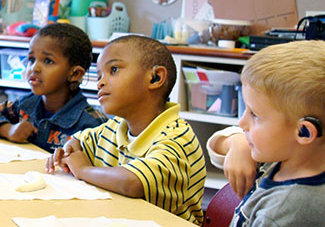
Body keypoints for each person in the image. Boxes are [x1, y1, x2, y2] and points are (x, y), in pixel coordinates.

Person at [45, 35, 206, 225]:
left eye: (113, 70)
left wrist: (83, 170)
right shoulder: (117, 126)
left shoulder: (177, 138)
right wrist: (70, 148)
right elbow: (80, 141)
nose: (100, 83)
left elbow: (133, 183)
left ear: (155, 78)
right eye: (99, 76)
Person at [208, 40, 325, 226]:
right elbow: (217, 144)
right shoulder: (283, 157)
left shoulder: (284, 211)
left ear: (303, 132)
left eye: (255, 114)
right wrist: (239, 143)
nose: (242, 123)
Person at [0, 23, 107, 153]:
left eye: (48, 61)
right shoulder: (24, 105)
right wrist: (8, 130)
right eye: (32, 59)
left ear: (75, 73)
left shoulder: (92, 124)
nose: (34, 68)